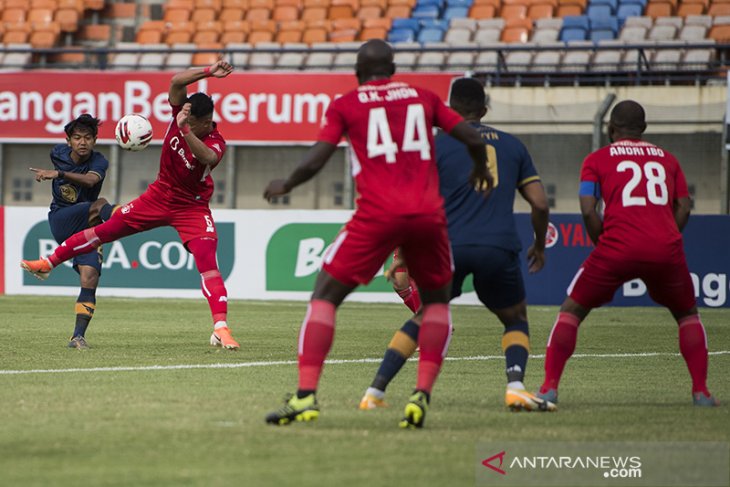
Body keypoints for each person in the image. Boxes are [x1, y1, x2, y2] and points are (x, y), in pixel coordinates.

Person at [263, 40, 493, 429]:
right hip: (428, 215)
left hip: (377, 215)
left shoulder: (347, 104)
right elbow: (472, 138)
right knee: (436, 304)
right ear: (394, 67)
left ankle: (305, 396)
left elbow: (318, 157)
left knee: (324, 296)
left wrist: (287, 183)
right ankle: (420, 395)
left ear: (357, 71)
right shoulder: (424, 98)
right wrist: (481, 171)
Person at [359, 77, 555, 412]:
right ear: (484, 109)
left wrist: (402, 255)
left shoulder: (435, 145)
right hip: (498, 246)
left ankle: (375, 392)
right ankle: (516, 386)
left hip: (446, 247)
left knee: (425, 315)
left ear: (449, 109)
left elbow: (414, 203)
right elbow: (539, 203)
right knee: (514, 318)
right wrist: (538, 244)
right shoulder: (512, 145)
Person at [21, 60, 241, 351]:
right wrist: (209, 72)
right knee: (104, 230)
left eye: (200, 122)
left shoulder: (214, 139)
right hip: (158, 196)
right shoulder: (181, 112)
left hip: (192, 208)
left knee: (208, 263)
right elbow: (176, 81)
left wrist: (184, 130)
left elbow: (209, 160)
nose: (204, 124)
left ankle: (221, 328)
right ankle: (48, 264)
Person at [536, 100, 718, 407]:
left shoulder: (596, 159)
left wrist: (602, 241)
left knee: (571, 310)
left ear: (610, 128)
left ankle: (549, 388)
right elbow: (684, 205)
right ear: (644, 129)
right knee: (687, 315)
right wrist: (666, 236)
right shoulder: (669, 160)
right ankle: (701, 392)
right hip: (665, 250)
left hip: (616, 247)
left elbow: (587, 207)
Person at [29, 114, 118, 349]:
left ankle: (77, 336)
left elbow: (89, 181)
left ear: (95, 140)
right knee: (101, 203)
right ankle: (128, 216)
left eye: (88, 138)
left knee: (90, 277)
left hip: (88, 226)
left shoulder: (100, 161)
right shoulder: (57, 152)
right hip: (62, 219)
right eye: (77, 138)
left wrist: (58, 174)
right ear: (68, 141)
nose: (82, 142)